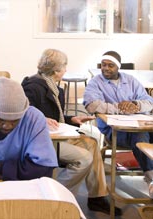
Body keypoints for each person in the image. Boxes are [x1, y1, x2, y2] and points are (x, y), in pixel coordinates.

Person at [21, 48, 122, 216]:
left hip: (58, 135)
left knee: (92, 143)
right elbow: (24, 112)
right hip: (42, 141)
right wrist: (41, 119)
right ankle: (55, 196)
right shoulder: (33, 87)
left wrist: (71, 119)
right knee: (84, 159)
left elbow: (55, 117)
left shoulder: (55, 88)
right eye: (64, 67)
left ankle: (96, 197)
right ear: (56, 70)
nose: (66, 70)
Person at [83, 50, 153, 198]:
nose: (106, 68)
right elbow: (92, 105)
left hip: (138, 124)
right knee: (140, 136)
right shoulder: (95, 83)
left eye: (111, 65)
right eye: (103, 65)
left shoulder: (131, 80)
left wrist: (135, 105)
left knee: (144, 133)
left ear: (118, 67)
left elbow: (149, 101)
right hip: (114, 130)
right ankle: (151, 178)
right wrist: (120, 108)